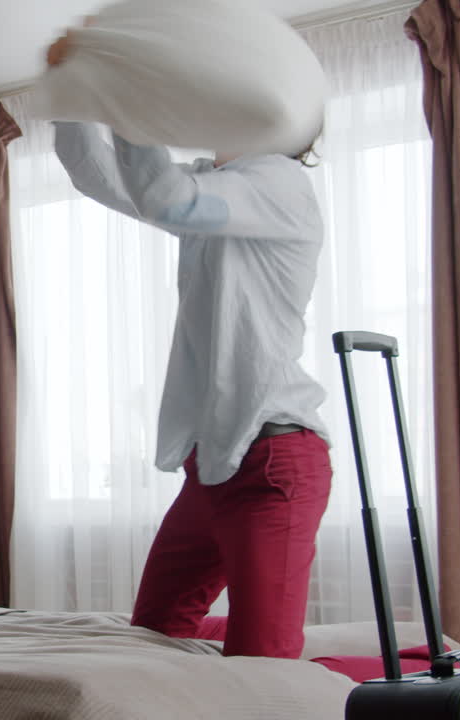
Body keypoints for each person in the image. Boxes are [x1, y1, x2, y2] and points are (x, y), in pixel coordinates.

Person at [46, 28, 333, 659]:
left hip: (274, 462)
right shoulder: (215, 186)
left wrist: (125, 100)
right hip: (212, 464)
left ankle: (333, 677)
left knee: (265, 667)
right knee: (154, 636)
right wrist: (74, 93)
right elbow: (98, 177)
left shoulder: (279, 185)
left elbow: (164, 199)